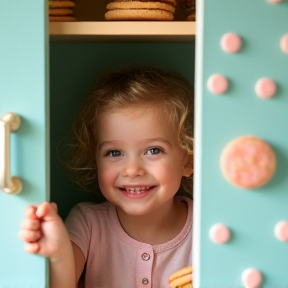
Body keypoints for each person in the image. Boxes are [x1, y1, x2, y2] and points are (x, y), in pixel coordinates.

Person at [19, 66, 194, 288]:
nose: (132, 170)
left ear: (188, 162)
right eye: (114, 153)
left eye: (153, 150)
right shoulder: (88, 223)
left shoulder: (207, 229)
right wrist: (58, 253)